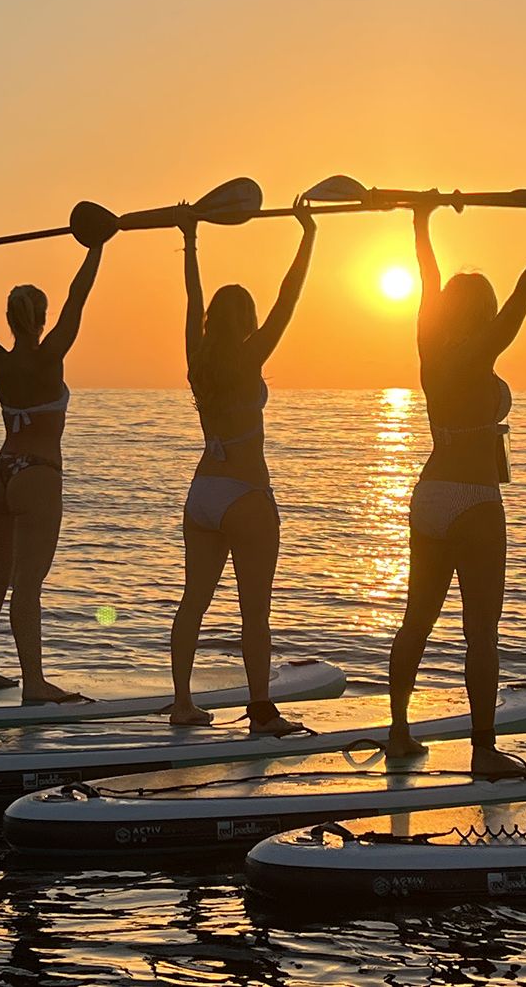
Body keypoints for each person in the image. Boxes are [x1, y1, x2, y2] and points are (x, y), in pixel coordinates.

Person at [384, 198, 526, 779]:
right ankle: (484, 749)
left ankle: (399, 731)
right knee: (480, 632)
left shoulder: (429, 351)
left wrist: (422, 220)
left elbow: (427, 280)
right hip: (473, 500)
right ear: (484, 313)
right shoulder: (477, 354)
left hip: (429, 494)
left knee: (417, 619)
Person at [167, 195, 316, 734]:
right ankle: (260, 711)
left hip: (202, 492)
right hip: (247, 495)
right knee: (255, 613)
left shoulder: (197, 358)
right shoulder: (251, 356)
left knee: (193, 603)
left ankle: (182, 703)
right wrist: (307, 235)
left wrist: (189, 236)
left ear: (212, 321)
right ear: (246, 322)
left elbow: (191, 297)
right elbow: (289, 297)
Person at [0, 219, 108, 704]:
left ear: (12, 321)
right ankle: (34, 683)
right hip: (37, 475)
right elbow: (80, 298)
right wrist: (96, 249)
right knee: (28, 584)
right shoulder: (50, 355)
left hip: (0, 473)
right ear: (40, 320)